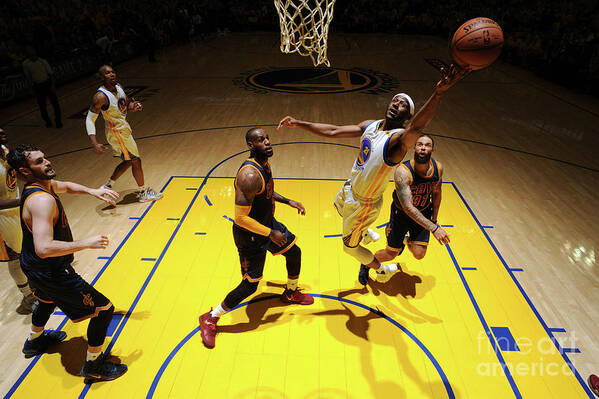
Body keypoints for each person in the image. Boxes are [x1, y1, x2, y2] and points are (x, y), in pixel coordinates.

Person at [278, 64, 468, 284]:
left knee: (349, 249)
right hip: (350, 188)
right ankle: (365, 233)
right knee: (337, 205)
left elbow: (416, 129)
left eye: (403, 106)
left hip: (364, 204)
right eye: (395, 101)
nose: (396, 105)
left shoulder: (397, 141)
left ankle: (381, 269)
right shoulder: (372, 125)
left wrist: (438, 93)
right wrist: (299, 123)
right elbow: (333, 131)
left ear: (407, 117)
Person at [7, 144, 127, 381]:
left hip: (32, 266)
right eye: (39, 161)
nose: (47, 162)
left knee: (46, 299)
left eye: (45, 157)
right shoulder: (41, 201)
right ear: (25, 170)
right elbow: (44, 248)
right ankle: (93, 365)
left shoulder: (40, 186)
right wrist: (85, 243)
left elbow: (66, 187)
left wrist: (93, 191)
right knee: (104, 310)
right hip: (49, 269)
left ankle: (34, 341)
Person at [199, 127, 314, 349]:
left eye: (268, 138)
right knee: (250, 285)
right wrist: (271, 233)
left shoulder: (264, 165)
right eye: (261, 140)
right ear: (251, 145)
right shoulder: (249, 175)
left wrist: (287, 201)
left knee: (294, 252)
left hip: (267, 224)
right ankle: (211, 317)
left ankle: (290, 292)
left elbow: (267, 192)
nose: (268, 142)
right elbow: (240, 219)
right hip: (250, 236)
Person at [362, 134, 450, 284]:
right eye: (420, 144)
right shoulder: (403, 172)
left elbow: (437, 193)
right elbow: (408, 208)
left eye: (427, 145)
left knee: (419, 254)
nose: (423, 147)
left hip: (424, 212)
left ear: (432, 149)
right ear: (414, 147)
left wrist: (434, 218)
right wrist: (434, 228)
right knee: (391, 255)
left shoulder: (438, 168)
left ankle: (405, 240)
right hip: (401, 215)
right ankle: (365, 264)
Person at [85, 65, 162, 203]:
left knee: (128, 161)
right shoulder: (100, 97)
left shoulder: (119, 87)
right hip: (116, 133)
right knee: (135, 160)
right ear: (102, 77)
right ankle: (143, 192)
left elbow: (125, 104)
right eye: (108, 73)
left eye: (113, 71)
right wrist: (94, 142)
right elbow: (90, 119)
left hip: (124, 130)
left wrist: (134, 106)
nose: (112, 74)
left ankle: (107, 186)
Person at [0, 128, 37, 314]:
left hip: (17, 210)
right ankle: (28, 296)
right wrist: (22, 200)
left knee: (28, 249)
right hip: (2, 219)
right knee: (14, 258)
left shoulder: (5, 152)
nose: (2, 131)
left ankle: (34, 286)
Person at [21, 46, 62, 128]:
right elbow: (28, 77)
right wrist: (31, 88)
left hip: (47, 83)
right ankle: (47, 121)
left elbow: (50, 74)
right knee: (42, 106)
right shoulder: (26, 64)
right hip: (38, 86)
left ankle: (58, 121)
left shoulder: (42, 61)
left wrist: (52, 85)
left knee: (55, 104)